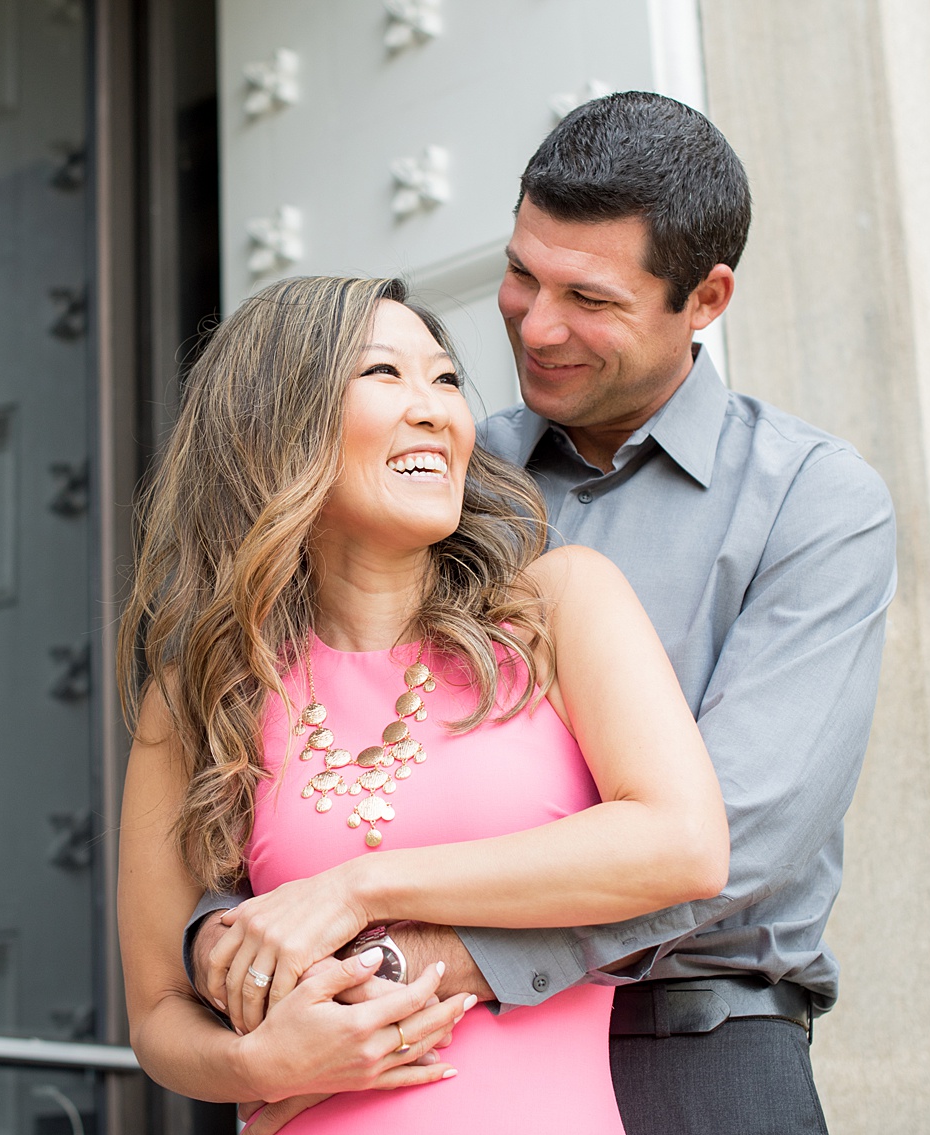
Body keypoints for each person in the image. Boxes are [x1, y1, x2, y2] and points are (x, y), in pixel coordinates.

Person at [186, 92, 897, 1135]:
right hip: (407, 1057)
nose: (536, 322)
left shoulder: (811, 501)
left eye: (590, 299)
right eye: (521, 273)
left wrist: (429, 960)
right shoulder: (438, 471)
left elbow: (738, 835)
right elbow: (283, 736)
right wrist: (226, 945)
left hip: (691, 1047)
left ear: (704, 298)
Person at [116, 273, 731, 1133]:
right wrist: (255, 1062)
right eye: (385, 375)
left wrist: (358, 888)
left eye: (445, 380)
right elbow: (156, 1014)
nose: (437, 409)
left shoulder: (557, 608)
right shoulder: (198, 692)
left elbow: (684, 842)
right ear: (278, 426)